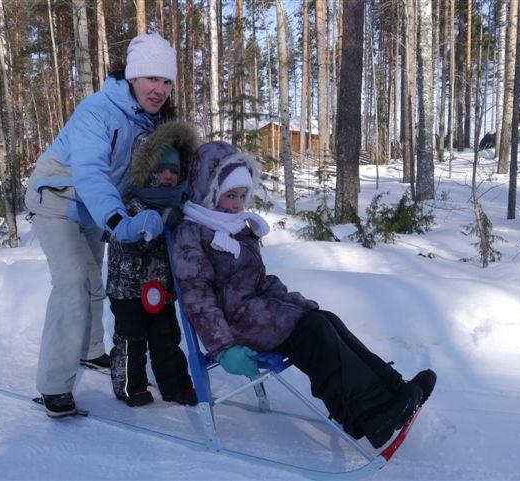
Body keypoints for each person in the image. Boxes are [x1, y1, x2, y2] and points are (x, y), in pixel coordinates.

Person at [171, 141, 437, 449]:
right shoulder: (192, 233)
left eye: (242, 196)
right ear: (209, 191)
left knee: (325, 320)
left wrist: (296, 303)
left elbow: (259, 281)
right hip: (234, 325)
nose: (237, 204)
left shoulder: (234, 227)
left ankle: (394, 391)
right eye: (230, 195)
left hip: (258, 314)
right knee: (315, 334)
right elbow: (197, 298)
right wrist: (224, 348)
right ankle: (369, 414)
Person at [24, 32, 177, 418]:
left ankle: (91, 351)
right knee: (73, 283)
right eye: (151, 79)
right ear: (131, 76)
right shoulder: (97, 111)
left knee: (95, 283)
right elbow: (90, 172)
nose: (159, 89)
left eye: (166, 81)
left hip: (94, 208)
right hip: (58, 199)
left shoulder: (152, 120)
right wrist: (117, 220)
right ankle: (54, 386)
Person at [106, 121, 198, 407]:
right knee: (131, 340)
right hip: (128, 289)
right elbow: (125, 239)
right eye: (160, 171)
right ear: (147, 173)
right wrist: (151, 227)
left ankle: (176, 387)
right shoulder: (128, 204)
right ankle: (129, 387)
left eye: (173, 171)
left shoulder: (178, 206)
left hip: (162, 290)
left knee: (167, 338)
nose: (168, 177)